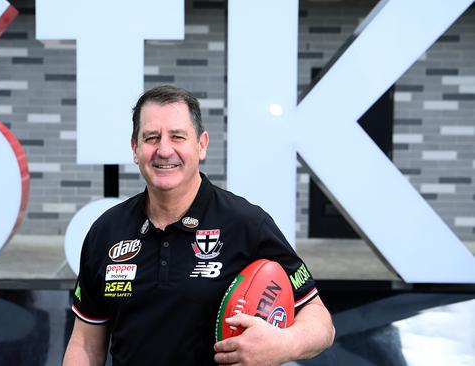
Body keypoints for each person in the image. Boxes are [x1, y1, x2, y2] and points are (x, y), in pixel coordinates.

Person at [63, 85, 335, 365]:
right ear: (135, 149)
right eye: (151, 138)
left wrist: (283, 344)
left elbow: (319, 319)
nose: (164, 150)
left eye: (178, 137)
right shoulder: (106, 231)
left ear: (201, 144)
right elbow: (85, 343)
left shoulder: (246, 224)